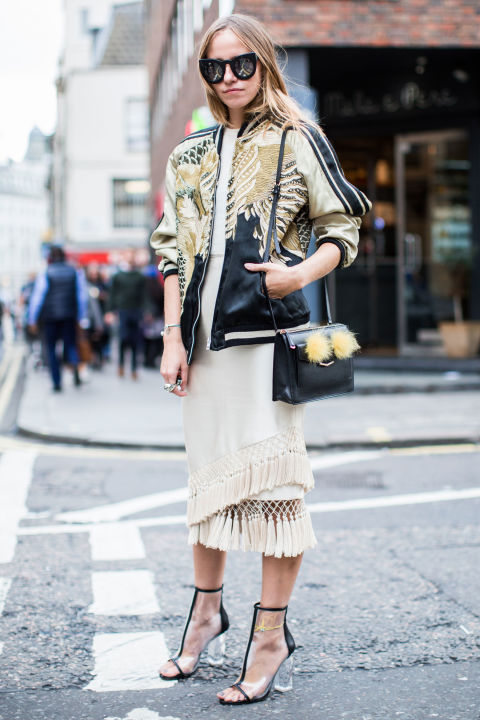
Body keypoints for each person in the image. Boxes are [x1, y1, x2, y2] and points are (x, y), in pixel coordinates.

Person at [150, 14, 371, 706]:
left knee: (275, 493)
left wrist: (296, 276)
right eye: (215, 68)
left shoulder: (299, 140)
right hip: (204, 348)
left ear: (265, 64)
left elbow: (344, 226)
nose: (229, 79)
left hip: (269, 344)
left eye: (241, 64)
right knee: (207, 488)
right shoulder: (188, 155)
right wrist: (171, 336)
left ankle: (270, 635)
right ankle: (206, 614)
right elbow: (169, 251)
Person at [28, 246, 88, 392]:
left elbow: (37, 298)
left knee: (51, 349)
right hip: (69, 315)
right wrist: (82, 317)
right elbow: (82, 297)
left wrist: (32, 319)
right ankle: (75, 370)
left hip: (50, 317)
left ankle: (57, 382)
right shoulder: (75, 271)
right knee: (71, 345)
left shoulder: (46, 273)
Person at [105, 250, 146, 380]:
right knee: (123, 339)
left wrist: (147, 311)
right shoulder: (117, 276)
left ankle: (134, 368)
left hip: (136, 310)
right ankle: (121, 365)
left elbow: (145, 295)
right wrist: (110, 311)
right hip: (122, 311)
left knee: (135, 341)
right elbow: (112, 295)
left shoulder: (139, 276)